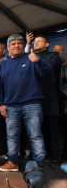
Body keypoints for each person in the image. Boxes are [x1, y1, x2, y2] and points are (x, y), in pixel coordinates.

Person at [0, 34, 53, 172]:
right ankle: (12, 162)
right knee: (11, 136)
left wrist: (39, 61)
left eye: (19, 43)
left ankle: (41, 164)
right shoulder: (3, 64)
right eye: (14, 43)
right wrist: (1, 104)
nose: (17, 45)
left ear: (23, 45)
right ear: (8, 47)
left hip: (32, 104)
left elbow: (49, 73)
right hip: (11, 106)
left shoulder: (32, 58)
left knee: (35, 135)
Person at [25, 34, 64, 164]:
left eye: (39, 41)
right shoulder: (30, 57)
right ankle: (38, 154)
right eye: (34, 41)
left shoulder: (53, 56)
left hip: (50, 99)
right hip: (35, 100)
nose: (36, 43)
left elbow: (49, 68)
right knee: (37, 130)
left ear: (47, 44)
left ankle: (57, 156)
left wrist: (37, 60)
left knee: (54, 130)